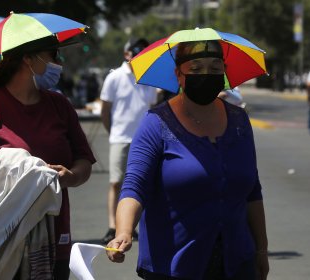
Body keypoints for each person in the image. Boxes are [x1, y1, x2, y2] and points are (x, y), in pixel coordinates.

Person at [106, 40, 269, 280]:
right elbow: (135, 186)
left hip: (237, 263)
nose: (207, 75)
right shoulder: (156, 123)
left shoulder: (239, 121)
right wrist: (123, 231)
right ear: (178, 74)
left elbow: (252, 190)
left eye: (215, 68)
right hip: (173, 264)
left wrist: (261, 250)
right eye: (196, 69)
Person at [0, 39, 96, 279]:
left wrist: (71, 176)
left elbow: (84, 161)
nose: (59, 62)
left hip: (54, 239)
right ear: (28, 58)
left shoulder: (60, 106)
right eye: (53, 54)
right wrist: (17, 177)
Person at [100, 37, 158, 244]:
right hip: (120, 138)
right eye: (136, 51)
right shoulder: (115, 77)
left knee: (144, 184)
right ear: (127, 54)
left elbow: (152, 108)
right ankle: (113, 226)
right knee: (116, 182)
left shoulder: (149, 78)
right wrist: (113, 132)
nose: (139, 54)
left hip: (146, 141)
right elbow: (105, 110)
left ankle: (134, 226)